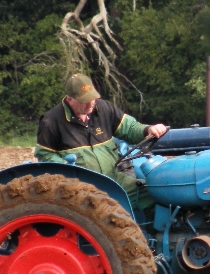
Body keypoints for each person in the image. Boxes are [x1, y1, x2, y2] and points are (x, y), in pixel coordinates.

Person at [35, 74, 167, 219]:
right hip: (83, 188)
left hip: (113, 179)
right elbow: (44, 156)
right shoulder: (51, 121)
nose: (90, 104)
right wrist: (67, 166)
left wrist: (147, 129)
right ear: (70, 99)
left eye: (92, 98)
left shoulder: (104, 108)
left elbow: (129, 128)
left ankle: (155, 237)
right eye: (85, 101)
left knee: (153, 192)